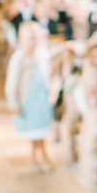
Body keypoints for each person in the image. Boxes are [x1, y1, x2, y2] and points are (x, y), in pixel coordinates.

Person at [4, 21, 60, 172]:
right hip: (27, 99)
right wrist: (13, 103)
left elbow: (49, 72)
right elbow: (11, 83)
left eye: (34, 39)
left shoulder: (42, 54)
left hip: (41, 97)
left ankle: (40, 156)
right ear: (21, 39)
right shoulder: (18, 58)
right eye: (28, 39)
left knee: (42, 129)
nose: (32, 43)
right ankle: (37, 156)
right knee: (33, 131)